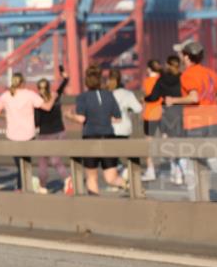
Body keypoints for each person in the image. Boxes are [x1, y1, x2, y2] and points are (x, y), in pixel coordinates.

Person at [166, 40, 217, 194]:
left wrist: (173, 100)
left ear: (186, 56)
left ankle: (196, 200)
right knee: (212, 157)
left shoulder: (188, 74)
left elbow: (194, 98)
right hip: (214, 119)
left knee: (192, 161)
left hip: (197, 122)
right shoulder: (210, 73)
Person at [65, 66, 127, 195]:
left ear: (86, 81)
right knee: (111, 178)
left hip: (90, 139)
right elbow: (118, 118)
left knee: (92, 177)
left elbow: (81, 119)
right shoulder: (109, 95)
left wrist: (69, 115)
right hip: (108, 137)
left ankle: (95, 206)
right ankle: (130, 185)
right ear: (100, 81)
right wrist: (103, 117)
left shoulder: (83, 97)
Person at [0, 73, 57, 191]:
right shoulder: (30, 95)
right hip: (28, 135)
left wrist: (9, 116)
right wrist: (53, 97)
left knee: (19, 165)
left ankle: (20, 188)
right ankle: (22, 188)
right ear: (23, 82)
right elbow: (47, 107)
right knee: (26, 164)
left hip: (12, 136)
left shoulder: (5, 96)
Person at [144, 57, 185, 183]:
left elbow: (154, 96)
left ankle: (175, 171)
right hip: (182, 111)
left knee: (170, 142)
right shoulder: (183, 77)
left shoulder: (162, 79)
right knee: (181, 142)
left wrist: (146, 99)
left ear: (167, 65)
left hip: (167, 113)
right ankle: (180, 170)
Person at [34, 68, 73, 193]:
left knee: (43, 162)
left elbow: (37, 122)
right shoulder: (55, 96)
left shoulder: (38, 103)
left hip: (46, 134)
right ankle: (67, 179)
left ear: (38, 89)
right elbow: (63, 86)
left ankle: (43, 186)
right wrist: (65, 77)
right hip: (60, 132)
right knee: (56, 160)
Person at [140, 60, 164, 181]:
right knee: (168, 140)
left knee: (148, 143)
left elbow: (147, 97)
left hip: (150, 114)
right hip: (163, 113)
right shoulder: (163, 79)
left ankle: (151, 170)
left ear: (149, 69)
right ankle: (178, 170)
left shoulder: (147, 81)